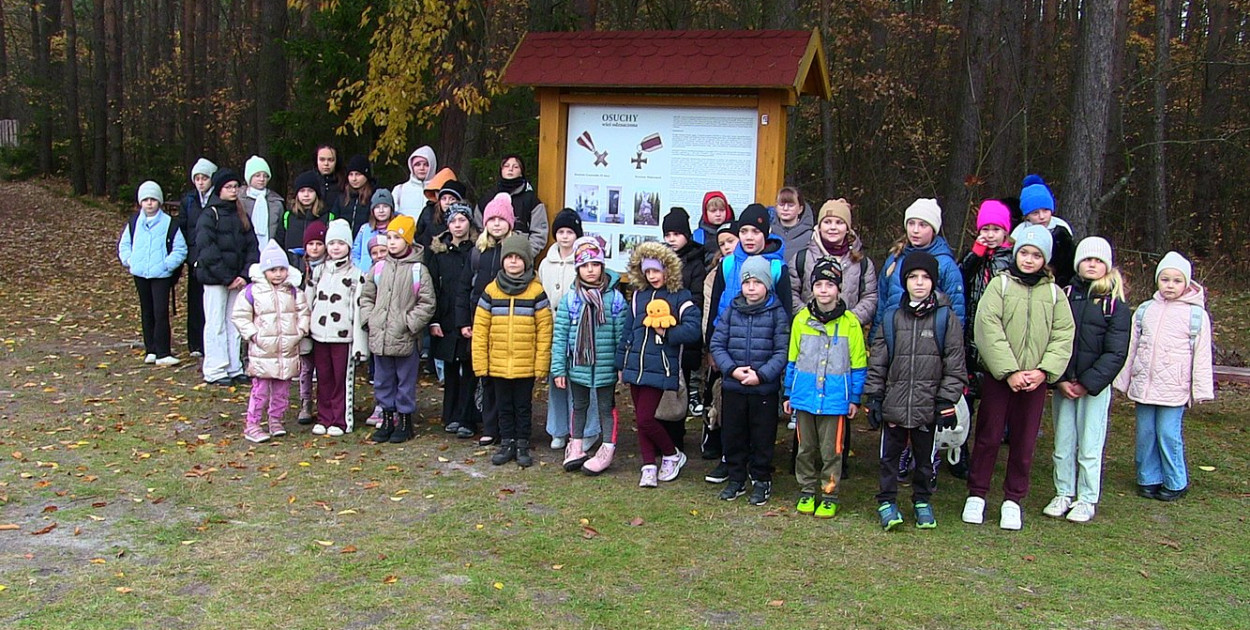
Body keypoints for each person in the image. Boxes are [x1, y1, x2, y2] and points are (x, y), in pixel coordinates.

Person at [963, 225, 1075, 530]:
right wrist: (1009, 370)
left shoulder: (1053, 294)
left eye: (1036, 255)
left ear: (1045, 259)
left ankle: (1013, 498)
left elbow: (1063, 335)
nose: (1028, 259)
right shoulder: (999, 286)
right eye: (1024, 252)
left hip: (1035, 379)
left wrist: (1043, 371)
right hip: (1001, 377)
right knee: (988, 435)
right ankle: (977, 493)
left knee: (1024, 441)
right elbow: (987, 327)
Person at [863, 252, 967, 530]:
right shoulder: (891, 317)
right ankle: (886, 500)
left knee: (925, 459)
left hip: (927, 405)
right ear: (904, 281)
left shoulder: (946, 318)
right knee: (888, 458)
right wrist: (874, 397)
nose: (919, 283)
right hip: (894, 403)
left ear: (934, 282)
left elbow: (955, 364)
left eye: (925, 278)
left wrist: (946, 401)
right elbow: (879, 360)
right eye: (912, 277)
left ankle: (922, 500)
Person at [874, 198, 966, 484]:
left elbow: (957, 311)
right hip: (897, 340)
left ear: (934, 229)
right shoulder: (894, 259)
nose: (916, 230)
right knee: (898, 404)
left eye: (923, 224)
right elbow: (882, 301)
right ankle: (900, 455)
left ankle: (928, 460)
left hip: (931, 346)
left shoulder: (946, 265)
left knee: (926, 408)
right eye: (911, 223)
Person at [1113, 252, 1214, 502]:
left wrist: (1200, 390)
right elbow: (1132, 347)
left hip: (1174, 388)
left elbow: (1201, 355)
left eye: (1177, 281)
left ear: (1187, 283)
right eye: (1165, 279)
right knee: (1146, 433)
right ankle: (1148, 477)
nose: (1170, 285)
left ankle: (1175, 480)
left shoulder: (1195, 315)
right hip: (1145, 385)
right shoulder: (1146, 310)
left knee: (1168, 434)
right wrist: (1122, 380)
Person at [1043, 237, 1130, 523]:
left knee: (1090, 443)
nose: (1092, 265)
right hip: (1064, 385)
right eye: (1087, 259)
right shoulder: (1065, 295)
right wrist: (1061, 379)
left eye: (1098, 260)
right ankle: (1063, 491)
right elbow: (1054, 338)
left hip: (1094, 388)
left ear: (1106, 265)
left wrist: (1088, 383)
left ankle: (1087, 497)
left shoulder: (1115, 305)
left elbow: (1116, 352)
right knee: (1063, 442)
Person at [784, 258, 867, 518]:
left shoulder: (851, 323)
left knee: (832, 451)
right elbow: (792, 358)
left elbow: (858, 364)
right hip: (805, 395)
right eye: (818, 284)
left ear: (838, 289)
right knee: (805, 448)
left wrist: (854, 397)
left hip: (834, 398)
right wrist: (789, 391)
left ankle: (830, 493)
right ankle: (807, 491)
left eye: (829, 284)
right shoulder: (801, 320)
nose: (823, 290)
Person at [618, 242, 702, 488]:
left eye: (657, 270)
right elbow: (628, 331)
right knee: (640, 417)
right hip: (636, 364)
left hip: (661, 366)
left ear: (668, 270)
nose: (652, 276)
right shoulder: (637, 297)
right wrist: (622, 361)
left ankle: (672, 454)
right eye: (648, 271)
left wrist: (667, 332)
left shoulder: (681, 297)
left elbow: (693, 330)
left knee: (646, 419)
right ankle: (648, 466)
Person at [710, 256, 791, 505]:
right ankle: (736, 478)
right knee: (733, 434)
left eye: (758, 282)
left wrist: (762, 375)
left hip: (763, 389)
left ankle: (761, 479)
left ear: (767, 284)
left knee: (762, 436)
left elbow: (782, 350)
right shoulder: (731, 311)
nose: (752, 287)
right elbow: (717, 343)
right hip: (734, 386)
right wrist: (732, 370)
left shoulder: (777, 314)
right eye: (747, 282)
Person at [472, 234, 553, 468]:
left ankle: (522, 443)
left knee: (523, 405)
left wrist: (541, 364)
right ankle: (506, 442)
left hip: (525, 363)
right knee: (503, 405)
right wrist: (481, 363)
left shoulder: (536, 292)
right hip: (498, 362)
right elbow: (480, 330)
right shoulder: (491, 291)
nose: (514, 262)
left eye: (519, 258)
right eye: (509, 257)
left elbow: (544, 329)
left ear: (527, 261)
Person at [551, 237, 627, 475]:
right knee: (579, 404)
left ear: (602, 266)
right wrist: (559, 369)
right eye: (585, 265)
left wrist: (621, 365)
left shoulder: (614, 299)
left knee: (606, 406)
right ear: (578, 269)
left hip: (605, 366)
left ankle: (607, 447)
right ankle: (576, 446)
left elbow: (620, 337)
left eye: (595, 264)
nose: (590, 270)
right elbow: (561, 336)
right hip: (578, 365)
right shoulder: (570, 300)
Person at [360, 214, 436, 443]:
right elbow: (366, 296)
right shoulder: (379, 268)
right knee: (383, 380)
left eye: (397, 237)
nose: (391, 242)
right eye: (389, 237)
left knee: (404, 381)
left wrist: (409, 324)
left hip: (405, 338)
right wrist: (370, 320)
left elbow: (427, 302)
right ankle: (387, 416)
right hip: (380, 337)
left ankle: (404, 420)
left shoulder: (418, 270)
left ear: (408, 241)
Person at [954, 199, 1016, 477]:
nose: (990, 235)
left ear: (1005, 232)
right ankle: (959, 454)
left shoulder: (1012, 260)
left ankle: (984, 457)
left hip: (996, 340)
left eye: (995, 229)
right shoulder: (974, 259)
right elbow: (959, 281)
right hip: (969, 338)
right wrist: (974, 255)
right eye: (985, 229)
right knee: (964, 401)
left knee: (992, 405)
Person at [230, 240, 310, 443]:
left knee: (282, 391)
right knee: (260, 391)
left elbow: (304, 313)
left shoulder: (293, 291)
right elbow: (240, 316)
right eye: (273, 270)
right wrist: (253, 335)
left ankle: (276, 420)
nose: (278, 274)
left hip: (287, 351)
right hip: (262, 352)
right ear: (264, 271)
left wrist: (299, 332)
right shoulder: (252, 292)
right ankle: (253, 424)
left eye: (282, 269)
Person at [460, 192, 517, 447]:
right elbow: (464, 289)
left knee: (505, 378)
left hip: (507, 323)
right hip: (480, 321)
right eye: (491, 218)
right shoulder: (477, 253)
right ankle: (489, 426)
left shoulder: (515, 252)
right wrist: (465, 321)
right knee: (485, 377)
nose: (496, 223)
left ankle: (509, 428)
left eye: (501, 219)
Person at [195, 168, 259, 386]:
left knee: (235, 323)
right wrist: (227, 277)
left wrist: (243, 275)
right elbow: (207, 249)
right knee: (215, 322)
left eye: (235, 187)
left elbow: (252, 247)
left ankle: (234, 366)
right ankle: (215, 368)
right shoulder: (209, 214)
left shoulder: (241, 214)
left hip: (237, 280)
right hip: (216, 280)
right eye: (228, 187)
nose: (233, 191)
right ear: (219, 190)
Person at [306, 219, 367, 437]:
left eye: (341, 243)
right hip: (320, 335)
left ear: (349, 246)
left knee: (341, 379)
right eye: (332, 243)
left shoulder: (356, 274)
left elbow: (359, 310)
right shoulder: (318, 271)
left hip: (344, 337)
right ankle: (324, 417)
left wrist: (360, 344)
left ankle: (341, 420)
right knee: (323, 377)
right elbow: (308, 302)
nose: (335, 247)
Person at [539, 208, 592, 450]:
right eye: (560, 231)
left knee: (581, 382)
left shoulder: (584, 262)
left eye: (570, 232)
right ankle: (558, 429)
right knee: (556, 381)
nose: (564, 237)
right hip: (552, 329)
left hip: (579, 330)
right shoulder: (545, 263)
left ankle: (584, 430)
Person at [119, 181, 188, 367]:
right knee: (146, 310)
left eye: (153, 200)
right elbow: (124, 245)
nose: (149, 203)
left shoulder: (169, 223)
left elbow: (180, 248)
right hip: (140, 273)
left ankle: (163, 351)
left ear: (159, 202)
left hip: (161, 275)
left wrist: (168, 265)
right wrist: (130, 260)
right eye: (146, 200)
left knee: (161, 312)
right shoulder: (134, 222)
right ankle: (150, 349)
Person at [427, 202, 480, 439]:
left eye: (462, 220)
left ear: (469, 222)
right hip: (446, 316)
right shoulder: (439, 252)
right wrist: (434, 320)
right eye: (453, 221)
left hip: (470, 316)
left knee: (470, 368)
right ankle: (450, 415)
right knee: (450, 368)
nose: (458, 225)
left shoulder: (477, 250)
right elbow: (432, 289)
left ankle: (467, 416)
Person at [789, 198, 878, 329]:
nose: (833, 227)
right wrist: (808, 316)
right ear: (819, 226)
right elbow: (791, 293)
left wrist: (850, 320)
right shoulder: (801, 259)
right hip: (808, 331)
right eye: (827, 222)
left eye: (839, 222)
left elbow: (870, 296)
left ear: (847, 228)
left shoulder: (862, 262)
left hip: (846, 334)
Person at [663, 206, 708, 423]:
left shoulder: (696, 262)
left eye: (677, 234)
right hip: (660, 326)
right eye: (668, 235)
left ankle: (679, 423)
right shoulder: (659, 259)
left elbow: (697, 297)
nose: (672, 239)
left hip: (683, 326)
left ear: (687, 235)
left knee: (683, 376)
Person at [700, 224, 738, 468]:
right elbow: (708, 312)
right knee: (713, 393)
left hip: (744, 343)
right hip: (719, 342)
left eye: (730, 241)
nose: (727, 247)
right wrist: (710, 346)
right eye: (722, 243)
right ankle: (712, 439)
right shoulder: (714, 274)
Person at [179, 157, 218, 358]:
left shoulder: (218, 199)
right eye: (197, 178)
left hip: (214, 257)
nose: (201, 182)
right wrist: (191, 257)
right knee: (195, 301)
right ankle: (195, 343)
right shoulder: (188, 200)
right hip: (195, 258)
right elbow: (185, 229)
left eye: (205, 178)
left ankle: (211, 341)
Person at [1013, 175, 1075, 286]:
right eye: (1035, 213)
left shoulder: (1061, 230)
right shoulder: (1018, 233)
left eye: (1046, 210)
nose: (1042, 216)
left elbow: (1069, 264)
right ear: (1027, 216)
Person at [296, 222, 327, 425]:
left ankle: (325, 403)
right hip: (303, 325)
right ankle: (305, 402)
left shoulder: (330, 267)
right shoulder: (298, 268)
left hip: (324, 325)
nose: (314, 248)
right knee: (306, 368)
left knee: (324, 368)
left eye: (319, 243)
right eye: (311, 244)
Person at [490, 154, 549, 256]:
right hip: (490, 257)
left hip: (519, 260)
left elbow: (539, 233)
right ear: (501, 170)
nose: (510, 169)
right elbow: (478, 228)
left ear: (521, 172)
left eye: (515, 166)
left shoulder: (531, 200)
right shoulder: (489, 197)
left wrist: (524, 255)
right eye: (506, 166)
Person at [274, 171, 331, 268]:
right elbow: (278, 243)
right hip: (291, 267)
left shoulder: (328, 217)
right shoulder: (288, 216)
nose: (306, 195)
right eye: (302, 191)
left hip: (320, 267)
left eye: (310, 191)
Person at [240, 155, 284, 247]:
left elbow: (280, 231)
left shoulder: (276, 202)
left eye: (265, 176)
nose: (262, 179)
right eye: (257, 175)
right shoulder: (239, 200)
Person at [352, 189, 396, 274]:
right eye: (377, 207)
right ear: (372, 210)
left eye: (385, 206)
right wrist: (359, 269)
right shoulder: (364, 229)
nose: (381, 210)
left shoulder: (397, 230)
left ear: (391, 209)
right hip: (365, 275)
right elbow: (355, 253)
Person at [392, 146, 436, 216]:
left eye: (426, 165)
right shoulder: (399, 190)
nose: (422, 168)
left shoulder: (439, 190)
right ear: (412, 166)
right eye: (417, 164)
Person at [771, 186, 813, 259]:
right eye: (781, 205)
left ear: (800, 209)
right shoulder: (768, 234)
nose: (785, 208)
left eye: (791, 205)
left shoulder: (811, 237)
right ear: (776, 207)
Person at [693, 191, 733, 265]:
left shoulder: (734, 232)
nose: (718, 214)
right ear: (706, 212)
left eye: (722, 210)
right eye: (713, 211)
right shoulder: (699, 236)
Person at [339, 154, 375, 236]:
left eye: (358, 174)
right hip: (343, 243)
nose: (354, 179)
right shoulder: (342, 196)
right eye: (351, 174)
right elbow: (333, 217)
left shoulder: (373, 196)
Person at [314, 144, 347, 208]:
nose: (326, 163)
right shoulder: (309, 180)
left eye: (330, 160)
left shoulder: (344, 182)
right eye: (322, 159)